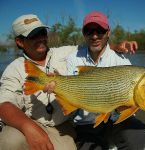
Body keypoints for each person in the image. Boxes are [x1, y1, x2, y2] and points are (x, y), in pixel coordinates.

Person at [0, 14, 137, 150]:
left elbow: (95, 46)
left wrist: (117, 46)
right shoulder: (13, 69)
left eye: (42, 32)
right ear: (19, 42)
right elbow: (3, 104)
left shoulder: (65, 52)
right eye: (33, 35)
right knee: (9, 141)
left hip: (62, 128)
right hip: (28, 122)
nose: (41, 38)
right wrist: (29, 128)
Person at [65, 11, 145, 150]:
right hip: (86, 124)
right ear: (83, 33)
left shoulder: (121, 60)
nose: (95, 36)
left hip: (115, 121)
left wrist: (128, 106)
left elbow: (128, 109)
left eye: (100, 31)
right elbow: (69, 93)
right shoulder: (73, 58)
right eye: (89, 31)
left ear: (108, 33)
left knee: (136, 136)